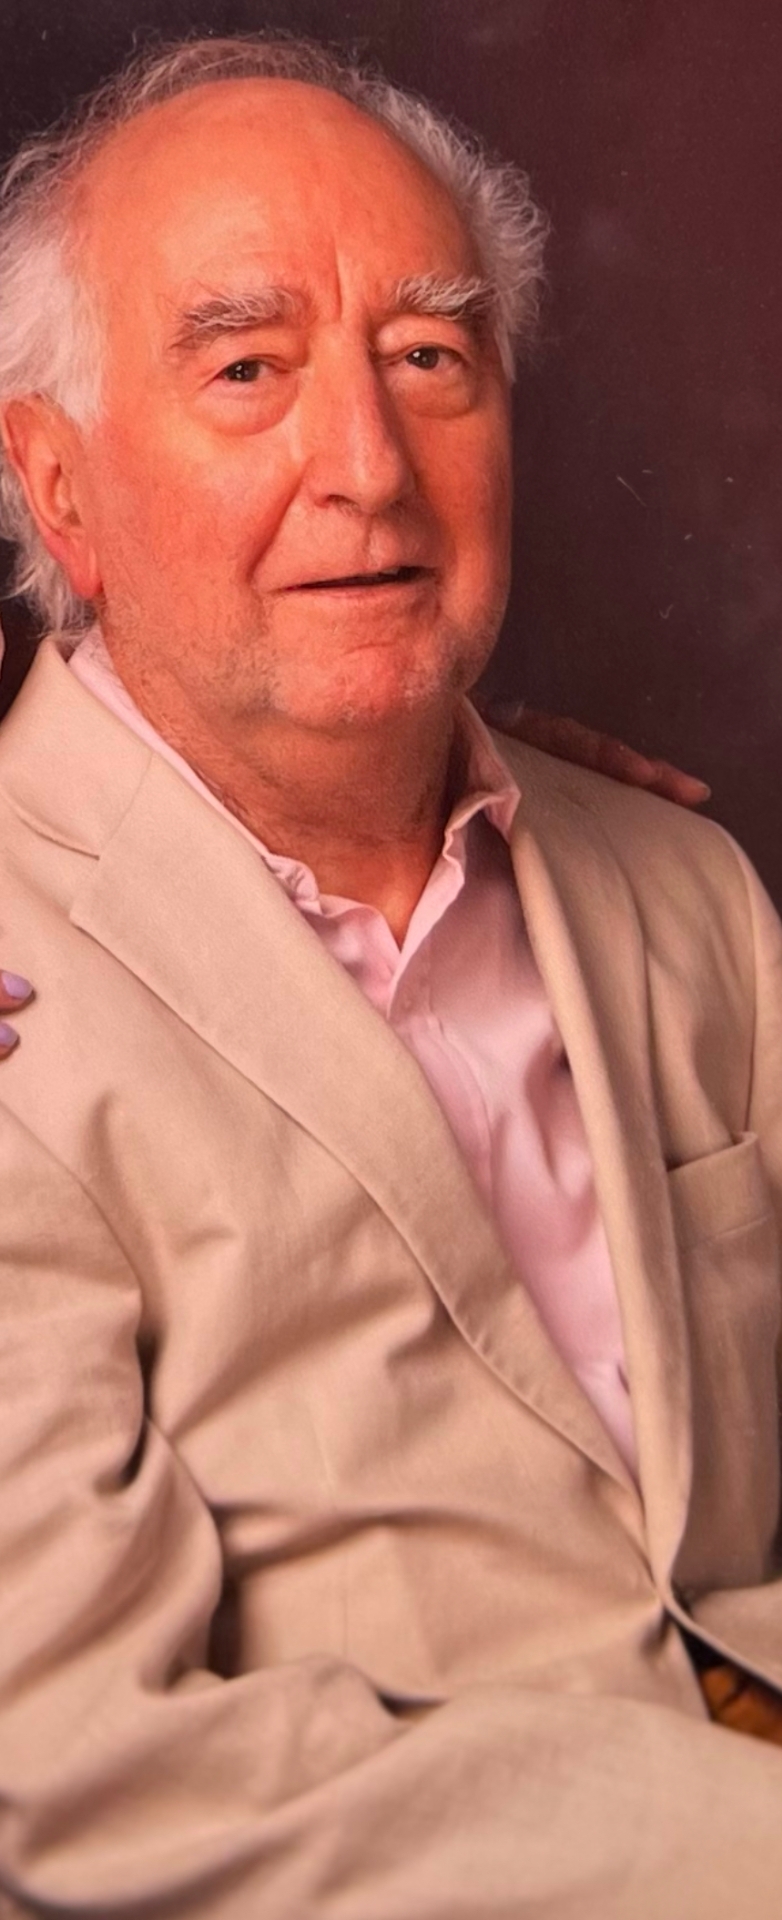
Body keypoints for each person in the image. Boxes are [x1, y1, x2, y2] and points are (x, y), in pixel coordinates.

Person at [0, 33, 781, 1919]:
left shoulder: (682, 889)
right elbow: (78, 1771)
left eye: (429, 357)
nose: (366, 467)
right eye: (245, 369)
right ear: (60, 488)